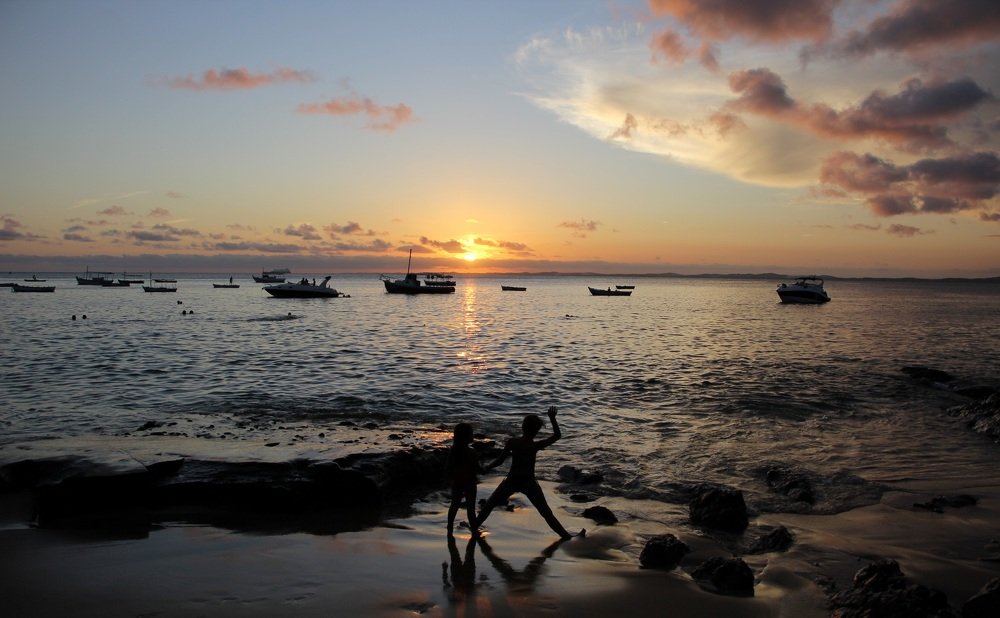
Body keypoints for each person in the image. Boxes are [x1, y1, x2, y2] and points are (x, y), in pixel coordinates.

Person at [475, 407, 583, 539]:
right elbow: (557, 436)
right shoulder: (534, 445)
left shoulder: (513, 442)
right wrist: (553, 419)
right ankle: (565, 536)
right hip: (528, 482)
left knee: (490, 505)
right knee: (546, 512)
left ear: (522, 427)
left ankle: (474, 527)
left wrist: (487, 467)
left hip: (512, 480)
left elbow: (500, 461)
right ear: (536, 431)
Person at [445, 422, 482, 536]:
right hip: (470, 483)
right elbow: (477, 468)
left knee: (454, 505)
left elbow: (448, 467)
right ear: (466, 437)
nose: (473, 436)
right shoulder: (472, 452)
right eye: (471, 434)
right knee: (470, 508)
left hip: (457, 482)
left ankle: (450, 525)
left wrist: (449, 478)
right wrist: (486, 469)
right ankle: (474, 528)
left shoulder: (453, 451)